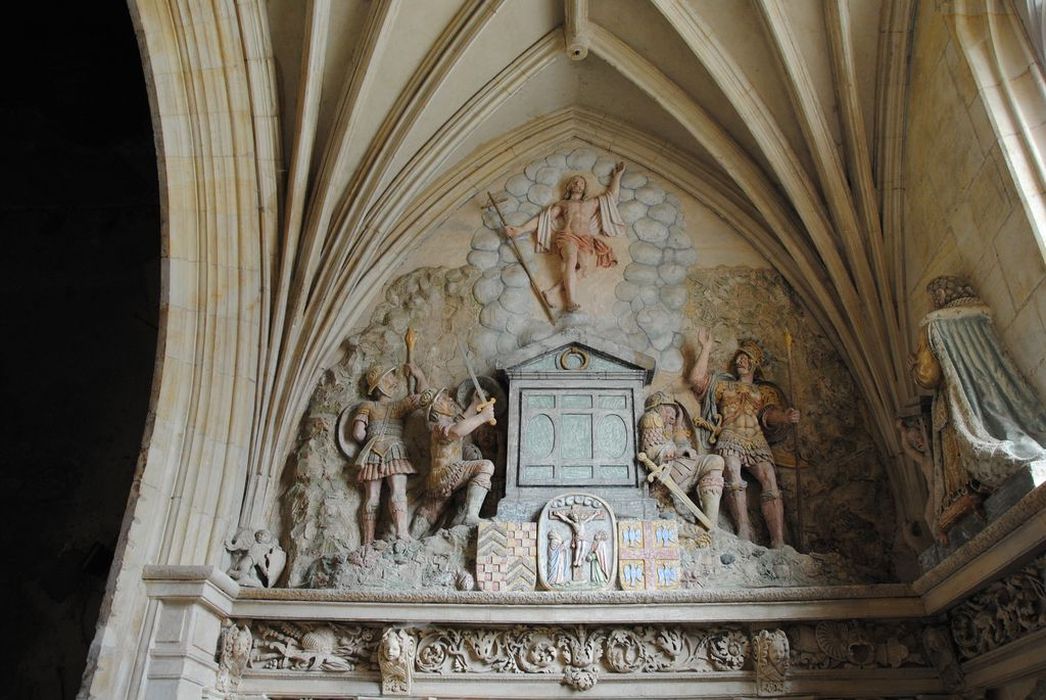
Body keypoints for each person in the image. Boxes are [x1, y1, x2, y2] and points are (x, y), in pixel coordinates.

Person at [908, 275, 1046, 535]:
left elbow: (929, 375)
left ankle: (964, 500)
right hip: (987, 394)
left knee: (960, 460)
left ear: (937, 297)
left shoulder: (933, 325)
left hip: (956, 402)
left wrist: (915, 368)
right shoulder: (978, 317)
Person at [690, 330, 799, 548]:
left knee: (770, 480)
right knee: (732, 472)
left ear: (754, 363)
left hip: (756, 437)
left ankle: (778, 540)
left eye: (746, 357)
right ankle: (744, 530)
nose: (740, 360)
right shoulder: (723, 384)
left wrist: (785, 417)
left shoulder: (762, 392)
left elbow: (768, 414)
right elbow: (696, 380)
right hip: (730, 434)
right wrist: (706, 348)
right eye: (739, 356)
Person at [504, 163, 626, 312]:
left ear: (584, 187)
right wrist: (521, 229)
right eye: (574, 181)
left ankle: (552, 292)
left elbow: (611, 198)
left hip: (586, 239)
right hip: (567, 235)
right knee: (571, 259)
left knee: (584, 269)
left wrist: (617, 177)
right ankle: (570, 301)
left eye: (581, 182)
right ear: (568, 186)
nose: (577, 184)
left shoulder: (591, 203)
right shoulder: (563, 204)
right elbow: (544, 218)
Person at [351, 363, 427, 545]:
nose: (394, 381)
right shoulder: (398, 406)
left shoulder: (367, 406)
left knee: (372, 497)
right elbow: (423, 398)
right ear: (381, 383)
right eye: (390, 377)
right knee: (398, 492)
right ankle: (402, 533)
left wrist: (370, 437)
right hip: (394, 450)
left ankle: (368, 541)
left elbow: (357, 433)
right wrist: (419, 376)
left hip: (373, 451)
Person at [408, 388, 496, 538]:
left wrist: (475, 404)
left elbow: (461, 421)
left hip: (438, 478)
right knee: (486, 466)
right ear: (435, 411)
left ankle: (410, 540)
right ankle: (471, 515)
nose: (449, 399)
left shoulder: (447, 423)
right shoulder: (440, 426)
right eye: (443, 400)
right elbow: (457, 431)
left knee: (431, 511)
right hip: (447, 473)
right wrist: (482, 417)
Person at [639, 390, 725, 527]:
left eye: (674, 413)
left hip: (681, 466)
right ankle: (709, 526)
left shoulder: (669, 426)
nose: (673, 416)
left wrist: (681, 438)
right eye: (669, 411)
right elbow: (650, 451)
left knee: (716, 461)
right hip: (667, 472)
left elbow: (681, 443)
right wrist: (675, 452)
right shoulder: (652, 417)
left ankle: (710, 525)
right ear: (659, 407)